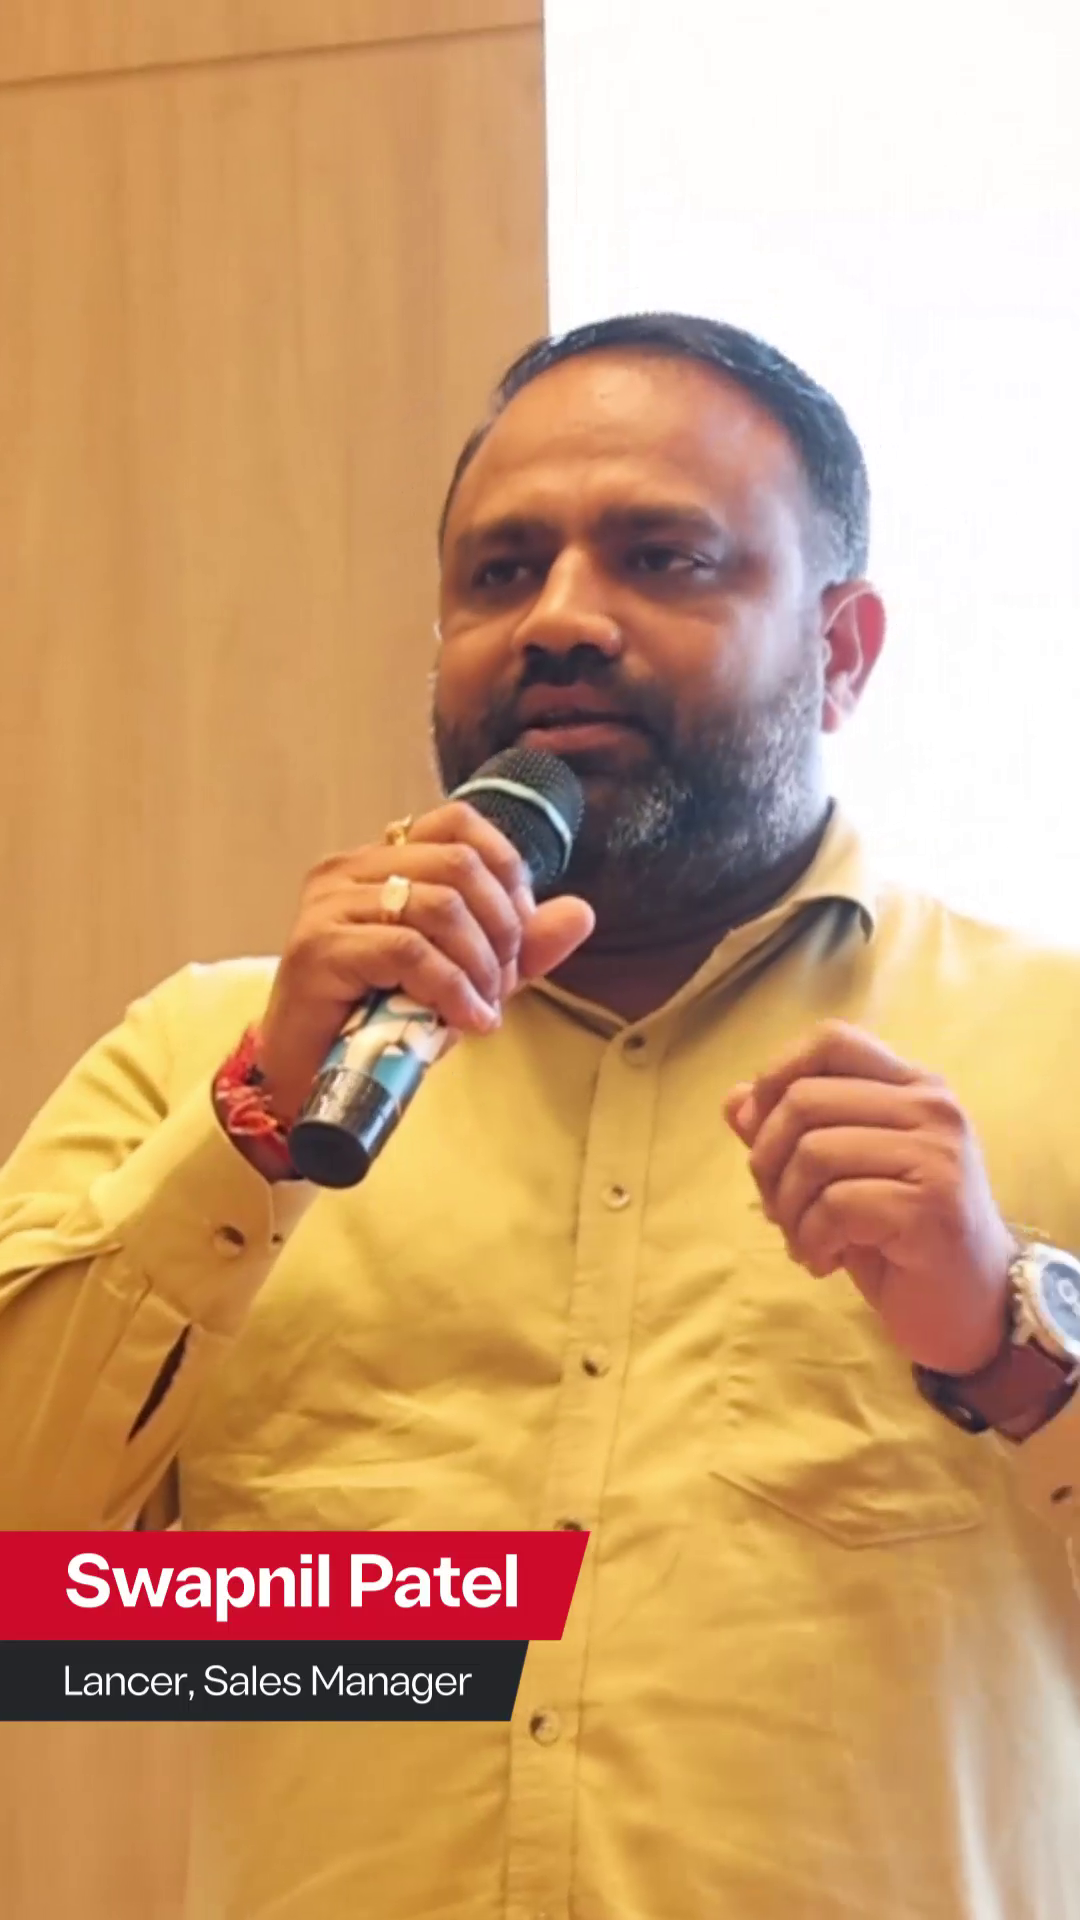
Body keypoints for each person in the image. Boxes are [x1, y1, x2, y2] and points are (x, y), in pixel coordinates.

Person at [2, 310, 1080, 1920]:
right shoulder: (209, 1056)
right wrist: (249, 1123)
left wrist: (1011, 1343)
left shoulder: (1048, 1052)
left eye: (668, 559)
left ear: (843, 651)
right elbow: (53, 1603)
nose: (564, 619)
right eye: (501, 575)